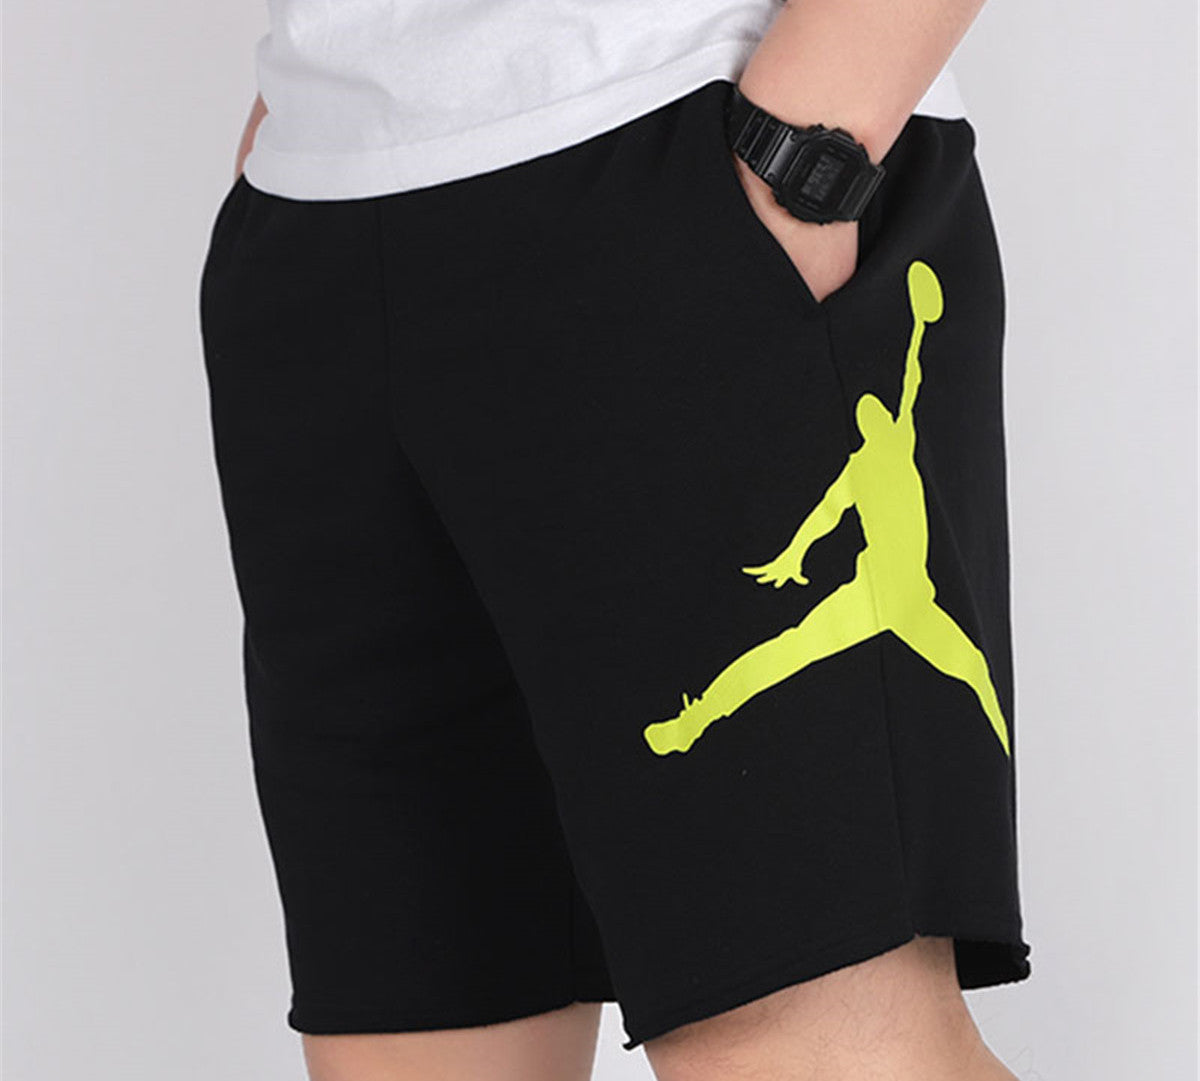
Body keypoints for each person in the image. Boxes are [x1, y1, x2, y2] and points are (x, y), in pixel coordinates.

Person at [198, 1, 1032, 1078]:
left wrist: (805, 151)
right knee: (419, 1033)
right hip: (320, 215)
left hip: (681, 151)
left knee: (812, 1042)